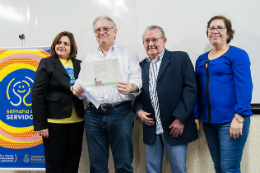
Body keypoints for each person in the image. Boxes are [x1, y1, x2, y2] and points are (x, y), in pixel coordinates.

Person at [72, 16, 142, 173]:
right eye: (98, 30)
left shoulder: (128, 54)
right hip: (93, 115)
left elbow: (138, 81)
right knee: (97, 166)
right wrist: (77, 89)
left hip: (121, 113)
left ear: (115, 32)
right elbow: (81, 83)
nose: (101, 32)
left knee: (124, 164)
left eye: (106, 29)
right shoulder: (88, 57)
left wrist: (131, 87)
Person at [134, 25, 198, 173]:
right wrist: (139, 112)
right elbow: (137, 96)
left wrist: (180, 118)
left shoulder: (180, 58)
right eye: (146, 41)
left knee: (178, 169)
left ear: (164, 41)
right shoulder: (140, 67)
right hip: (151, 128)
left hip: (174, 127)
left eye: (154, 39)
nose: (151, 44)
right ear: (143, 44)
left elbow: (191, 89)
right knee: (152, 169)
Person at [194, 15, 253, 173]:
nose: (215, 31)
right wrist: (195, 115)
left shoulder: (237, 55)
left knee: (229, 168)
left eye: (220, 27)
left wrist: (239, 117)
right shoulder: (200, 60)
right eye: (212, 28)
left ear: (228, 33)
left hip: (231, 120)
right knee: (218, 166)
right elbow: (196, 90)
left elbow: (245, 86)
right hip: (209, 122)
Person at [32, 31, 85, 173]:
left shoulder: (80, 64)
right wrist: (41, 124)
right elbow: (37, 95)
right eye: (59, 42)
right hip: (54, 123)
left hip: (77, 122)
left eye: (66, 44)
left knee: (72, 164)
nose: (61, 46)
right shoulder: (47, 62)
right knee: (54, 165)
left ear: (72, 47)